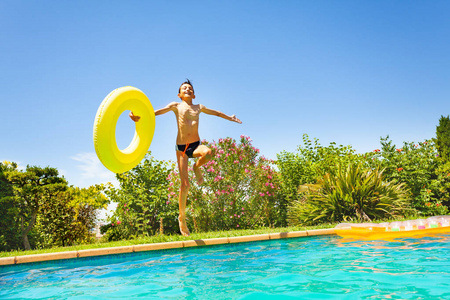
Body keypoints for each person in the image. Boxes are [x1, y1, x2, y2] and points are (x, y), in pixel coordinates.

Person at [129, 79, 242, 236]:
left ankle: (196, 167)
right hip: (182, 149)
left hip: (195, 145)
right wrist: (138, 116)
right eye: (184, 88)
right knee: (185, 185)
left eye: (190, 88)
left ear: (194, 94)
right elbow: (156, 112)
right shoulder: (175, 106)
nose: (187, 89)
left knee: (208, 152)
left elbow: (215, 113)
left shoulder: (199, 107)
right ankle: (182, 217)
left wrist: (230, 117)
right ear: (179, 94)